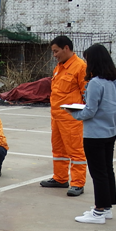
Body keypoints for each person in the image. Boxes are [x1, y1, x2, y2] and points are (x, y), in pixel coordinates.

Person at [68, 44, 116, 224]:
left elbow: (90, 111)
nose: (86, 64)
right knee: (107, 170)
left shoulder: (95, 83)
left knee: (98, 172)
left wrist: (73, 112)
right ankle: (106, 207)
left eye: (87, 60)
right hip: (111, 131)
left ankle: (99, 212)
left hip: (95, 134)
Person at [40, 35, 87, 196]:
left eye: (56, 51)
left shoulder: (80, 67)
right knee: (58, 150)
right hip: (57, 117)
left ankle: (77, 183)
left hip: (72, 119)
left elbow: (86, 94)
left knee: (76, 151)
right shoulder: (59, 67)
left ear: (66, 48)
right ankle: (60, 178)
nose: (54, 55)